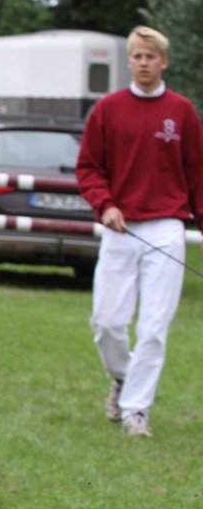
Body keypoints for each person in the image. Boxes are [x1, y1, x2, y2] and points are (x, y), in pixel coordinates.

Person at [76, 25, 203, 437]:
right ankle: (121, 376)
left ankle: (136, 411)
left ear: (163, 62)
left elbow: (197, 174)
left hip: (167, 227)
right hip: (120, 227)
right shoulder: (108, 110)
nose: (144, 63)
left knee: (153, 326)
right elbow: (89, 168)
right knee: (107, 322)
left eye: (151, 57)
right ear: (129, 62)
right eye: (137, 57)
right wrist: (105, 204)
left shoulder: (182, 111)